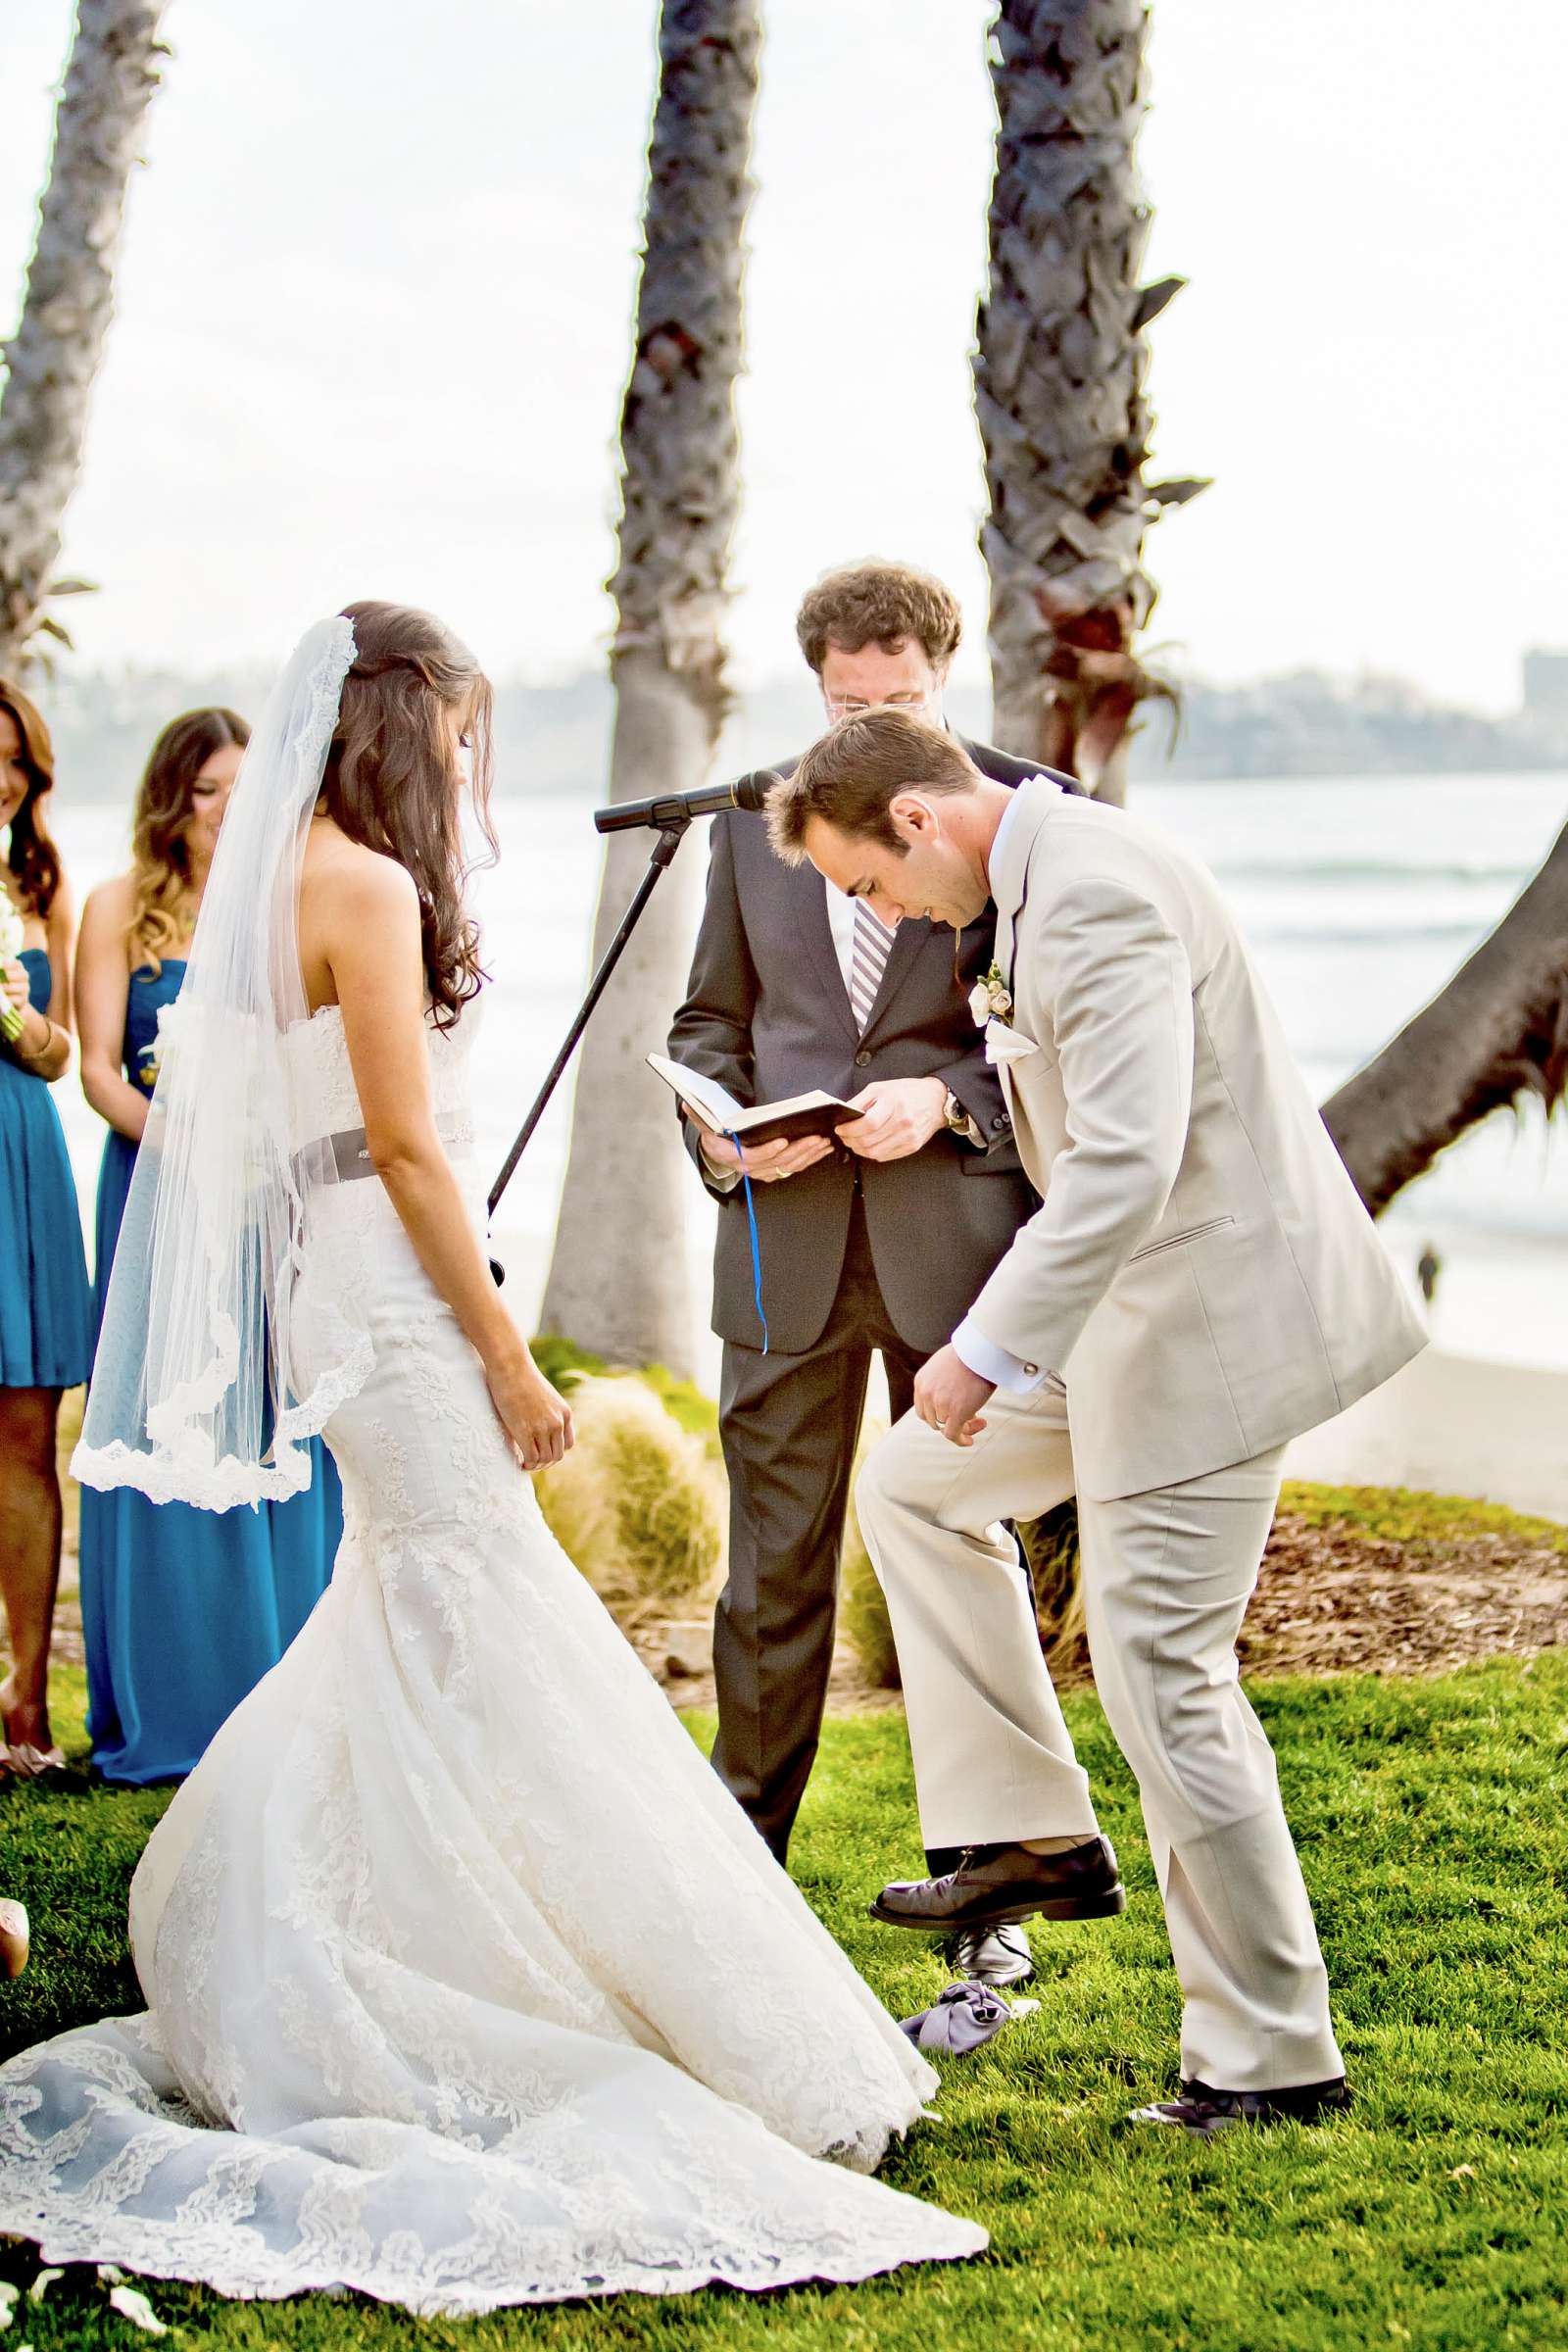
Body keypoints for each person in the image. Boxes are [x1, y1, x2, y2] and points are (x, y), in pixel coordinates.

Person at [0, 605, 985, 2310]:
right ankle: (579, 1990)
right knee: (486, 1617)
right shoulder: (368, 889)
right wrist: (509, 1353)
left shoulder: (279, 880)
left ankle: (368, 1915)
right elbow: (402, 1145)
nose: (470, 762)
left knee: (415, 1618)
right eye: (459, 732)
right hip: (395, 1296)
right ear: (403, 726)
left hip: (342, 1286)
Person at [768, 710, 1427, 2137]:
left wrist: (983, 1351)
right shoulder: (1028, 887)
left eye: (870, 886)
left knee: (1162, 1670)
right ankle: (1032, 1837)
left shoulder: (1095, 891)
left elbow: (1130, 1161)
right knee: (912, 1486)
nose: (880, 913)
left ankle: (1271, 2061)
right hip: (1124, 1321)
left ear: (922, 823)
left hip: (1210, 1328)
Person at [669, 560, 1069, 1987]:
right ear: (815, 686)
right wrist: (722, 1136)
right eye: (847, 705)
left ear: (943, 687)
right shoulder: (746, 824)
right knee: (768, 1571)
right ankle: (738, 1879)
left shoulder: (1027, 817)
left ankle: (993, 1889)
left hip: (946, 1244)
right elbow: (709, 1021)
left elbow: (1052, 1037)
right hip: (782, 1244)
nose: (869, 735)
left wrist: (947, 1104)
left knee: (961, 1559)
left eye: (897, 704)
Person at [74, 710, 344, 1783]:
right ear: (169, 801)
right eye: (206, 789)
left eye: (246, 786)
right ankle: (168, 1698)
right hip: (154, 1188)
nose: (229, 807)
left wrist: (260, 1150)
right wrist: (191, 1144)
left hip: (267, 1199)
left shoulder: (287, 907)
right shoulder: (113, 908)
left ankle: (279, 1679)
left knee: (276, 1414)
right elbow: (99, 1068)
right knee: (157, 1417)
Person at [0, 680, 93, 1780]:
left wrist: (18, 1017)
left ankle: (27, 1703)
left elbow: (66, 1049)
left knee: (27, 1435)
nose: (5, 779)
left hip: (20, 1149)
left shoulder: (43, 880)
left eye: (18, 761)